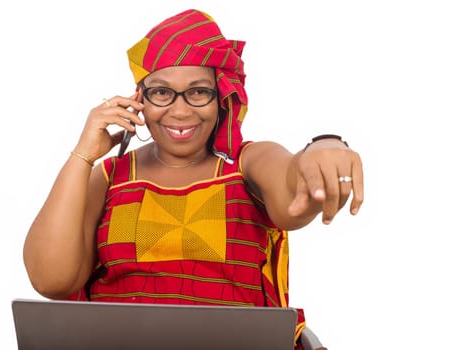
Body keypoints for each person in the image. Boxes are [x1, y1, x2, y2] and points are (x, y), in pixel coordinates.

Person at [23, 9, 363, 350]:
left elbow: (293, 193)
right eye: (162, 92)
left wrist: (325, 146)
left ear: (222, 98)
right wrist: (83, 155)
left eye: (198, 92)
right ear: (139, 99)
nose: (180, 110)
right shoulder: (110, 179)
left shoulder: (247, 164)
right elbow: (51, 280)